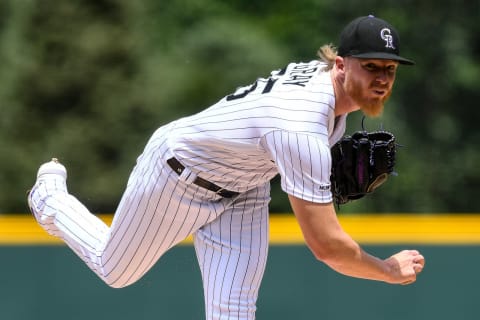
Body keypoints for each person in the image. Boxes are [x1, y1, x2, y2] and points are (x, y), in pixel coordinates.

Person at [28, 15, 425, 320]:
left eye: (389, 69)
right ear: (340, 65)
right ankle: (49, 199)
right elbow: (327, 248)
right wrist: (387, 270)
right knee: (116, 270)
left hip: (245, 186)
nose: (382, 78)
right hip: (178, 172)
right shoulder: (300, 125)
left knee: (232, 313)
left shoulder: (323, 93)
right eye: (370, 66)